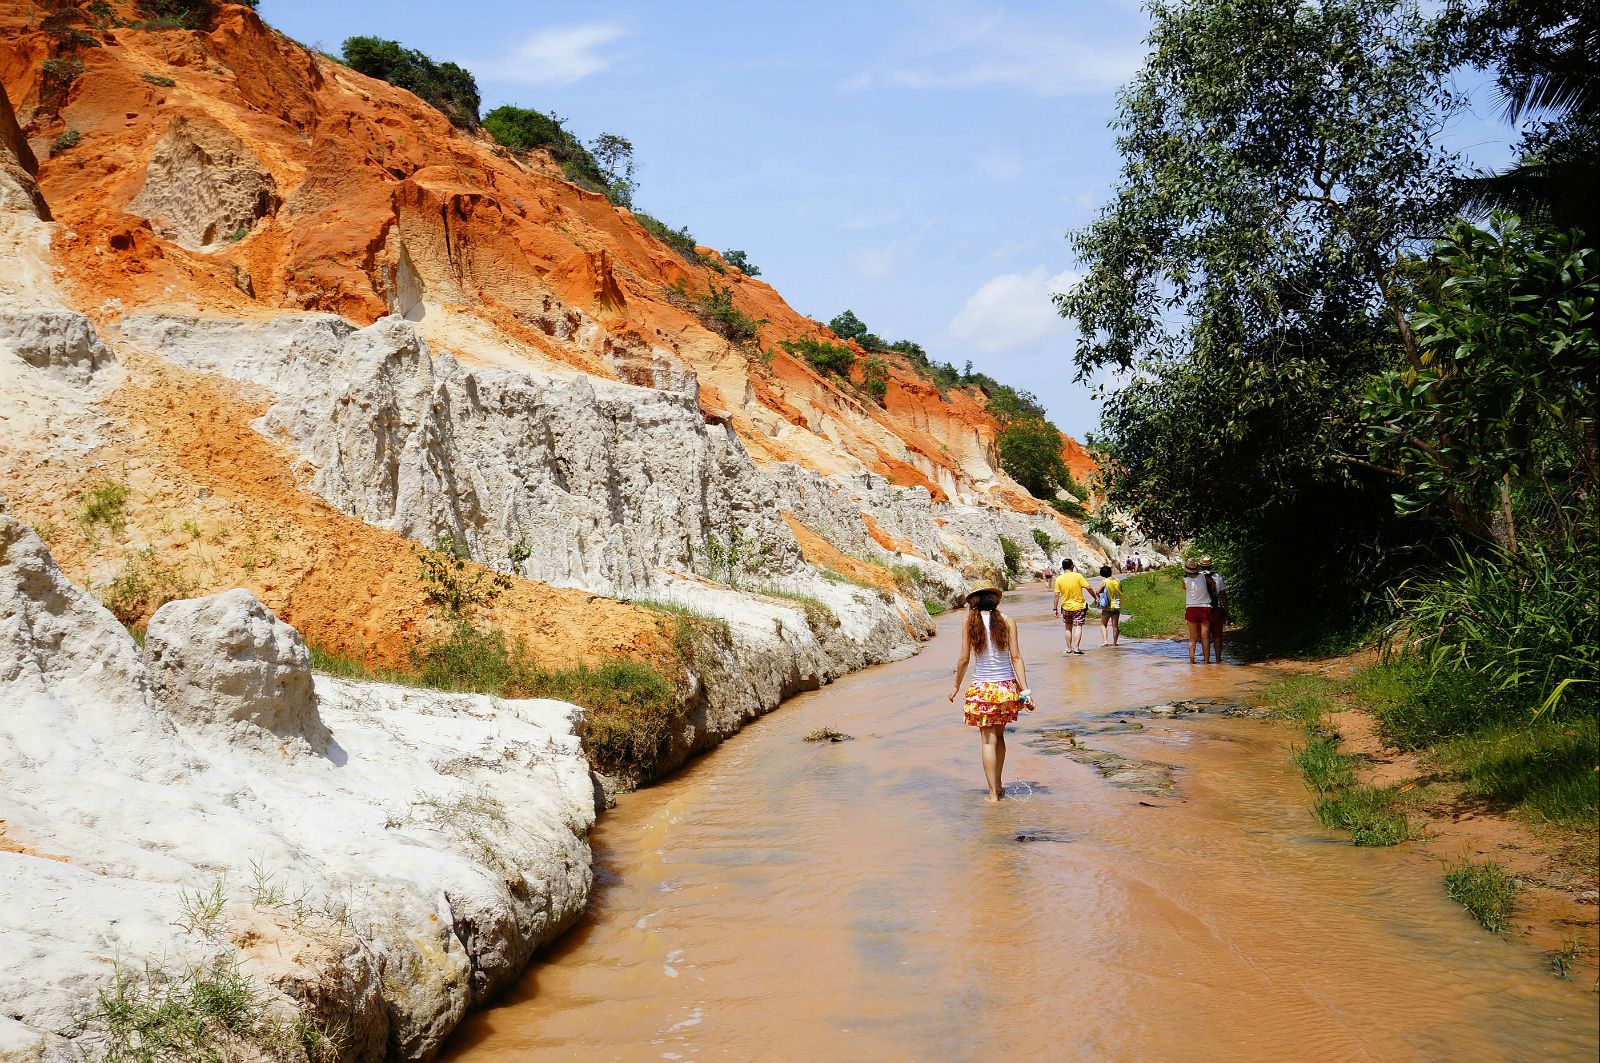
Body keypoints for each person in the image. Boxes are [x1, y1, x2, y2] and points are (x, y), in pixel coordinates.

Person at [947, 581, 1032, 802]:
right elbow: (1016, 658)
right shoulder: (1008, 621)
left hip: (982, 690)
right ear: (995, 600)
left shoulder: (969, 623)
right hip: (1006, 689)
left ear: (974, 601)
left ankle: (993, 794)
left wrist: (956, 686)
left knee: (987, 741)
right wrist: (1026, 690)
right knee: (1000, 736)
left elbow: (964, 659)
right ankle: (1000, 784)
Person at [1052, 559, 1091, 655]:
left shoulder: (1059, 579)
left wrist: (1055, 608)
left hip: (1066, 607)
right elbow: (1088, 587)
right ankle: (1077, 649)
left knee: (1068, 628)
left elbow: (1056, 595)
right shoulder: (1078, 576)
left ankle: (1069, 648)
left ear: (1063, 567)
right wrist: (1095, 597)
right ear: (1072, 566)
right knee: (1078, 626)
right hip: (1079, 606)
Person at [1182, 558, 1216, 663]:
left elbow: (1184, 588)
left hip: (1191, 608)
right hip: (1205, 607)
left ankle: (1192, 661)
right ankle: (1206, 661)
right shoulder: (1204, 576)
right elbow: (1213, 584)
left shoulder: (1185, 580)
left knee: (1192, 637)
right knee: (1205, 637)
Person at [1200, 555, 1228, 663]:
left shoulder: (1198, 577)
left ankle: (1206, 660)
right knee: (1217, 635)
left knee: (1205, 635)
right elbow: (1223, 595)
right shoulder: (1218, 577)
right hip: (1215, 609)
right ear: (1211, 565)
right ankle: (1218, 658)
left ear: (1201, 566)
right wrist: (1226, 611)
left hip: (1202, 609)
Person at [1096, 564, 1122, 646]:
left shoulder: (1105, 581)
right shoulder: (1117, 581)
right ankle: (1115, 643)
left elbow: (1097, 591)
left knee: (1103, 624)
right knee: (1115, 626)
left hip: (1107, 606)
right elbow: (1121, 591)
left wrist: (1097, 599)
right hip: (1116, 606)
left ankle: (1105, 641)